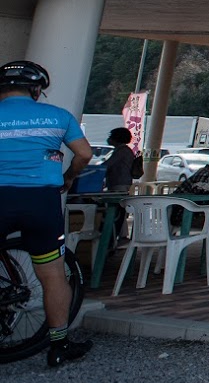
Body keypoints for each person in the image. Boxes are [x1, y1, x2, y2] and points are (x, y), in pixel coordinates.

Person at [0, 60, 94, 366]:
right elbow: (85, 154)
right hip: (41, 201)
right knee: (52, 274)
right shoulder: (58, 116)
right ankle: (59, 346)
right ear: (37, 90)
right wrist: (69, 176)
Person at [103, 126, 138, 194]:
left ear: (116, 138)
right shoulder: (124, 150)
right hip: (123, 182)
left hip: (119, 183)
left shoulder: (122, 151)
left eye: (111, 136)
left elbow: (108, 164)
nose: (108, 139)